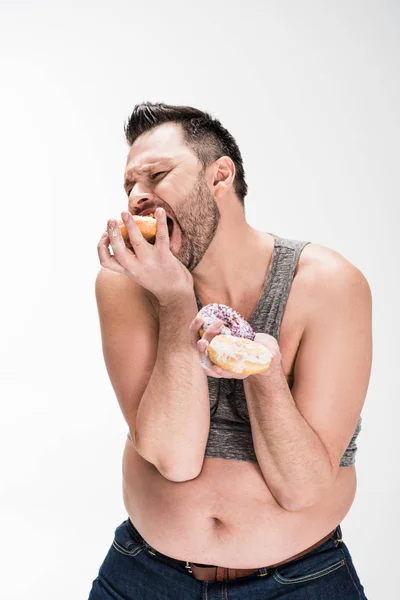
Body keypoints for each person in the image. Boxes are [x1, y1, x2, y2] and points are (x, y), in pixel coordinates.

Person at [89, 102, 371, 599]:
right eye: (129, 186)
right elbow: (174, 459)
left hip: (299, 582)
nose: (136, 198)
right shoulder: (126, 287)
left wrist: (261, 368)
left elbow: (300, 487)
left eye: (157, 175)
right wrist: (176, 302)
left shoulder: (328, 285)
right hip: (146, 579)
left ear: (219, 176)